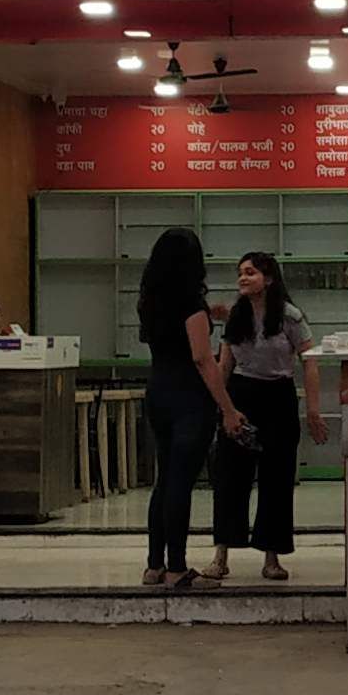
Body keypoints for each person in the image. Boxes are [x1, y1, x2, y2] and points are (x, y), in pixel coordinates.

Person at [138, 225, 249, 592]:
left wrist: (208, 314)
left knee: (164, 478)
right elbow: (203, 359)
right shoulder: (190, 302)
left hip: (158, 391)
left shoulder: (149, 300)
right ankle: (178, 568)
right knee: (181, 484)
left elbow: (168, 338)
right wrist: (229, 409)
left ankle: (154, 566)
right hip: (189, 398)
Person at [205, 248, 326, 585]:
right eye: (240, 272)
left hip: (278, 397)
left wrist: (313, 410)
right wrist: (221, 406)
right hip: (241, 396)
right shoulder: (235, 316)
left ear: (269, 279)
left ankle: (271, 558)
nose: (243, 277)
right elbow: (224, 365)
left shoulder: (289, 315)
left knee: (276, 479)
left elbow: (310, 361)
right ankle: (220, 555)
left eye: (251, 272)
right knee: (229, 476)